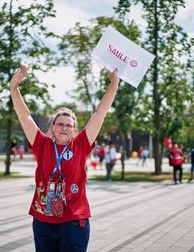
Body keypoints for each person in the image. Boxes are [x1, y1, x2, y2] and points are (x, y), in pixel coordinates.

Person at [10, 65, 119, 252]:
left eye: (69, 125)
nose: (64, 127)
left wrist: (114, 84)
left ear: (74, 129)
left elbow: (99, 114)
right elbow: (25, 116)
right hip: (43, 219)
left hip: (74, 221)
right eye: (60, 123)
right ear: (52, 127)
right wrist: (14, 88)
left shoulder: (81, 144)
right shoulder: (42, 145)